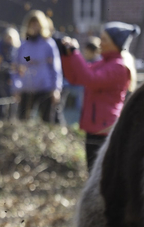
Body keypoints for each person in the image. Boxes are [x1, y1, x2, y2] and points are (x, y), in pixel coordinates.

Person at [59, 22, 140, 171]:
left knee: (101, 173)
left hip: (105, 128)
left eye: (104, 39)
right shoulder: (103, 63)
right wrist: (68, 55)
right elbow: (77, 77)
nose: (100, 42)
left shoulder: (118, 66)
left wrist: (76, 53)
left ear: (115, 43)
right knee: (93, 170)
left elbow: (91, 79)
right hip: (95, 126)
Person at [13, 10, 63, 123]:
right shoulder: (23, 45)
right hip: (27, 88)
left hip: (45, 87)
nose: (34, 27)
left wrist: (56, 89)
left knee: (47, 121)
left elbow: (56, 68)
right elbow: (16, 68)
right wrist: (16, 88)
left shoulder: (48, 44)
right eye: (32, 24)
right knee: (22, 120)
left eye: (37, 24)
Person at [0, 27, 20, 119]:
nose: (8, 40)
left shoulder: (16, 51)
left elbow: (17, 66)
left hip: (11, 82)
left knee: (12, 106)